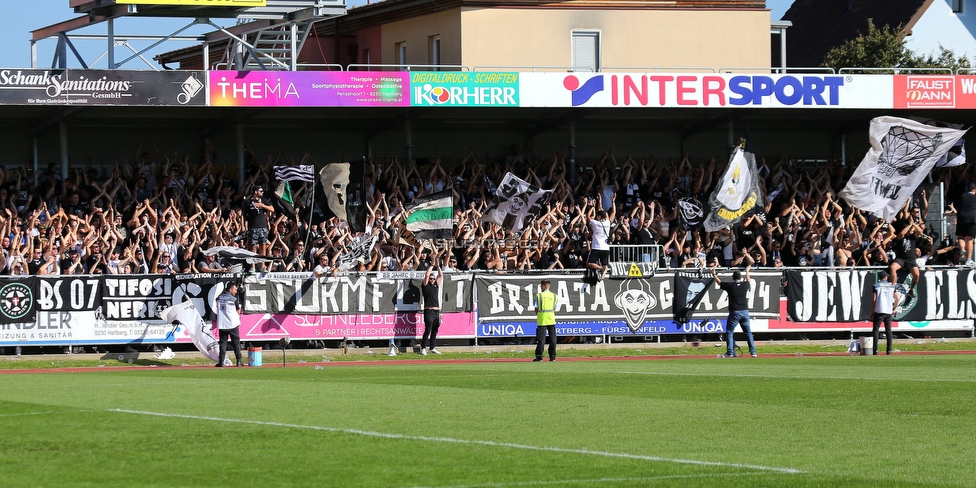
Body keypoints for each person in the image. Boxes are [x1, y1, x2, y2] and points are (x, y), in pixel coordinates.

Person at [712, 264, 757, 358]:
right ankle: (753, 352)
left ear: (733, 278)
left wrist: (714, 274)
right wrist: (747, 271)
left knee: (729, 332)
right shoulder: (745, 285)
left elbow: (719, 282)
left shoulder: (731, 286)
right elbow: (749, 280)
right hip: (745, 311)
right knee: (748, 332)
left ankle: (730, 352)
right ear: (740, 277)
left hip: (735, 312)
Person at [243, 185, 275, 271]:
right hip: (253, 227)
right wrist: (244, 225)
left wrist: (262, 206)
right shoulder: (247, 202)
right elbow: (244, 215)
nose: (262, 192)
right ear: (255, 192)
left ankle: (262, 266)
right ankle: (252, 267)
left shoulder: (263, 200)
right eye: (260, 191)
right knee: (253, 247)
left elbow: (272, 209)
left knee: (263, 246)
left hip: (262, 226)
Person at [215, 282, 244, 367]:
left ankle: (221, 362)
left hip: (222, 324)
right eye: (235, 289)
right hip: (233, 324)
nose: (235, 291)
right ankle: (239, 361)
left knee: (223, 343)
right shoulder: (234, 299)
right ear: (230, 289)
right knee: (236, 343)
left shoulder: (218, 298)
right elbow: (238, 311)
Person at [872, 271, 900, 356]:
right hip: (888, 311)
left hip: (879, 310)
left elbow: (874, 299)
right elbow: (897, 298)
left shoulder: (876, 286)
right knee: (888, 330)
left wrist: (872, 310)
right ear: (886, 277)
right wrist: (893, 309)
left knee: (876, 331)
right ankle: (889, 350)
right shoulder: (892, 286)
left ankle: (875, 350)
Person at [420, 260, 443, 355]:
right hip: (429, 311)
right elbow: (426, 275)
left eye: (433, 278)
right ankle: (423, 348)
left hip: (436, 312)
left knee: (435, 330)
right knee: (428, 329)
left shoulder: (436, 286)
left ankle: (432, 347)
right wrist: (431, 265)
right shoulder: (425, 286)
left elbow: (441, 276)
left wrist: (438, 267)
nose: (432, 280)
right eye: (431, 278)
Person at [533, 279, 558, 362]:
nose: (541, 287)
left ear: (543, 286)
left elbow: (536, 309)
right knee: (553, 339)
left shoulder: (539, 296)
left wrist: (540, 315)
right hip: (551, 319)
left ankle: (539, 357)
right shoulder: (554, 296)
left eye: (541, 286)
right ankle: (552, 357)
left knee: (541, 340)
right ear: (549, 285)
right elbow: (554, 308)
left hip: (542, 320)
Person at [957, 182, 976, 266]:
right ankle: (968, 259)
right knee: (970, 239)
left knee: (960, 237)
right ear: (974, 190)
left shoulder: (961, 196)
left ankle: (962, 249)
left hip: (961, 218)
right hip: (972, 218)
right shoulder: (975, 197)